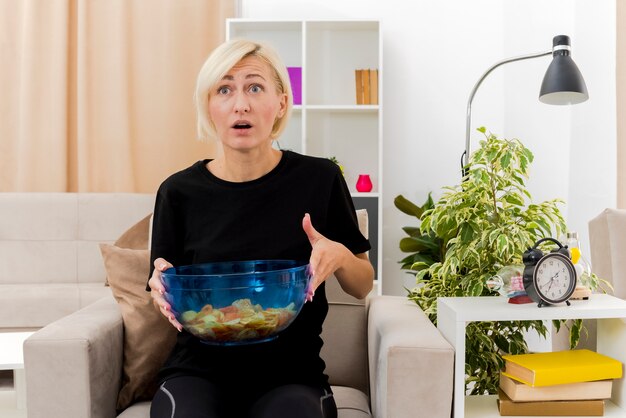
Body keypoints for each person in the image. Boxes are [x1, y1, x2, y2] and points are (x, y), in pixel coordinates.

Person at [147, 38, 374, 418]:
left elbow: (363, 283)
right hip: (196, 372)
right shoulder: (177, 192)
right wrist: (159, 286)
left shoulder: (319, 179)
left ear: (281, 101)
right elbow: (161, 284)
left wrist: (339, 255)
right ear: (209, 105)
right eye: (225, 89)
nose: (241, 104)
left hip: (291, 374)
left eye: (255, 86)